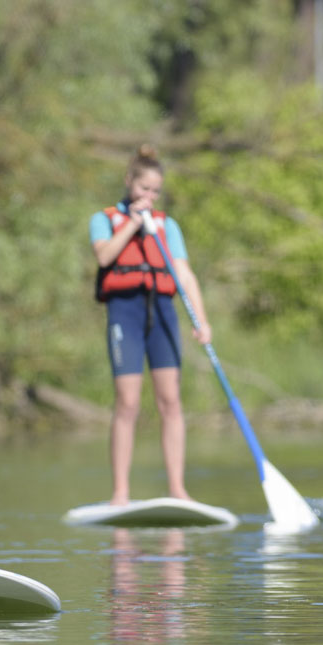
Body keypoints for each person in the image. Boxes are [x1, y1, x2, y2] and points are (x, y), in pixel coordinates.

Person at [90, 146, 213, 506]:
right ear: (129, 181)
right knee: (128, 402)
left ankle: (177, 488)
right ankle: (120, 493)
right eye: (144, 188)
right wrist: (133, 223)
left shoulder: (167, 226)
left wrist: (202, 320)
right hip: (124, 313)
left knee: (170, 401)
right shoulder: (105, 219)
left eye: (155, 191)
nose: (149, 196)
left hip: (162, 313)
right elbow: (104, 256)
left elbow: (185, 275)